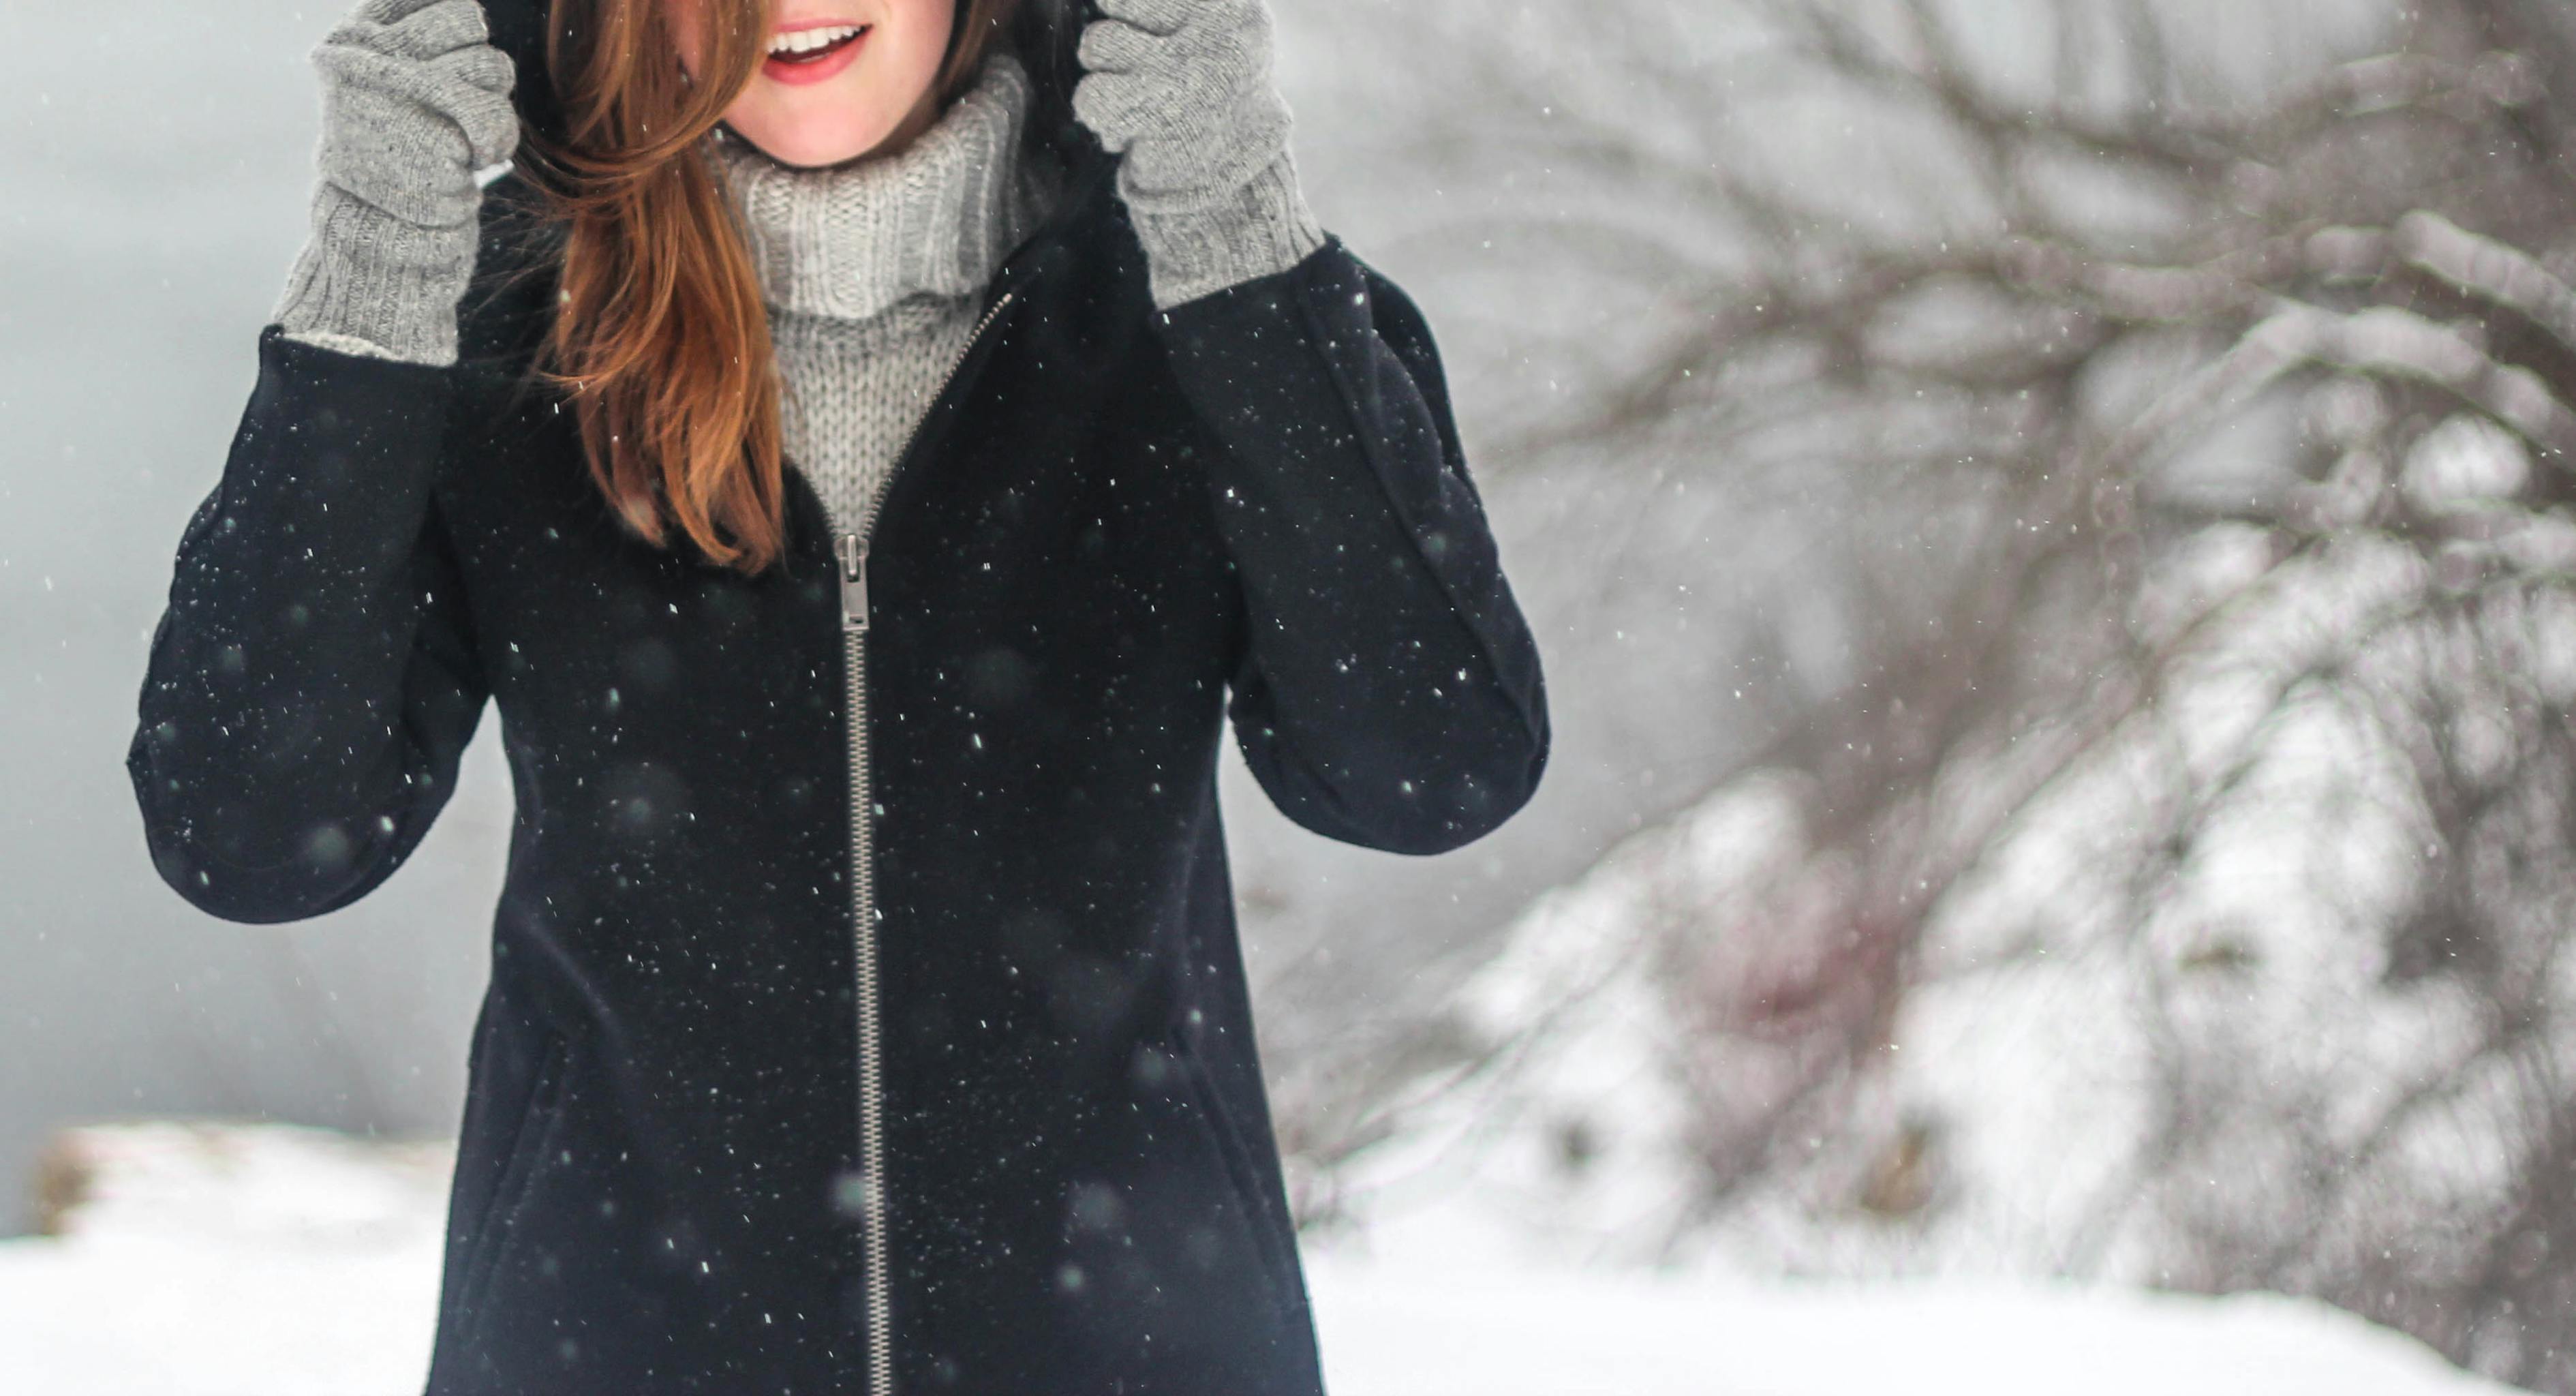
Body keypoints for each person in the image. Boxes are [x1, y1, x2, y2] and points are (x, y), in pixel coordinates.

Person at [125, 0, 1550, 1389]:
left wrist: (1231, 216)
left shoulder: (1203, 301)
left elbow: (1429, 769)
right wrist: (378, 266)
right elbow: (250, 834)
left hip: (1139, 1352)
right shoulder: (507, 333)